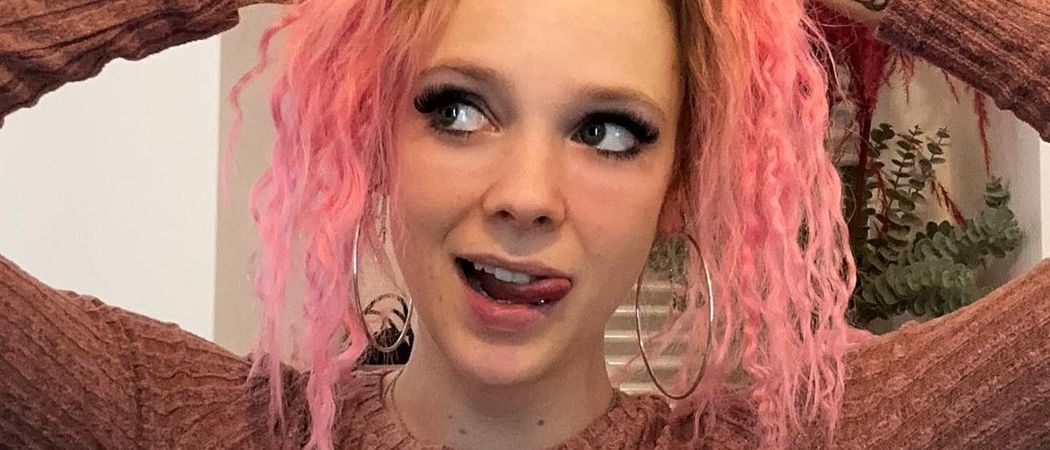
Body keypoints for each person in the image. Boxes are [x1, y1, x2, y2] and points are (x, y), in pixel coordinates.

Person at [0, 1, 1047, 449]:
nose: (526, 194)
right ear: (374, 135)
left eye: (608, 130)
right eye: (459, 110)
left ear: (678, 185)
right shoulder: (161, 418)